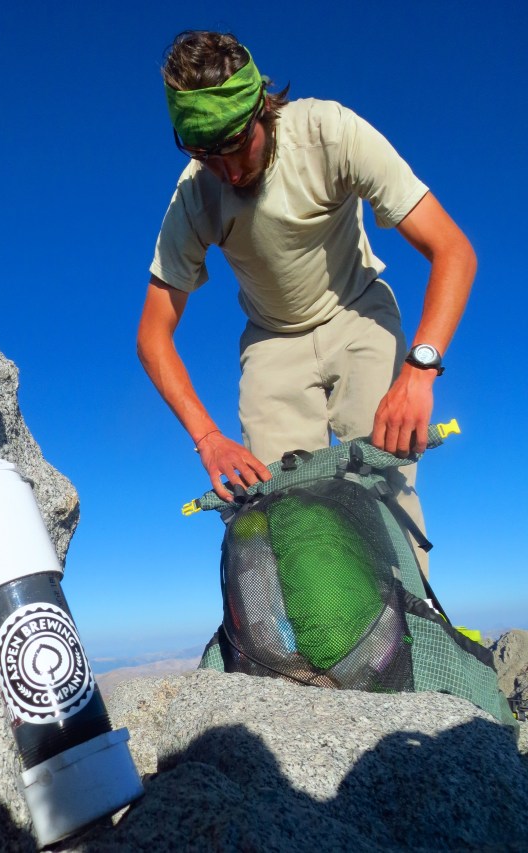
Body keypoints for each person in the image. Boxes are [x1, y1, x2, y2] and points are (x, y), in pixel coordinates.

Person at [137, 30, 476, 574]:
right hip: (272, 343)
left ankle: (412, 639)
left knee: (385, 481)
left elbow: (453, 250)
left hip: (358, 311)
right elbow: (153, 337)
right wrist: (208, 438)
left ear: (261, 108)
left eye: (233, 144)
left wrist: (420, 370)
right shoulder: (195, 193)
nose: (226, 170)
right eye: (204, 153)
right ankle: (321, 652)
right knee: (283, 509)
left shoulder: (329, 132)